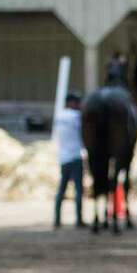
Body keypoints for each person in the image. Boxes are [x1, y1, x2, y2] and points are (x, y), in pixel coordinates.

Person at [53, 91, 85, 229]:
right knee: (78, 190)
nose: (79, 105)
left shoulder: (59, 116)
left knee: (62, 189)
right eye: (77, 102)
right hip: (75, 156)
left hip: (63, 157)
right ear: (71, 103)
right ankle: (78, 220)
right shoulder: (77, 117)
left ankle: (57, 220)